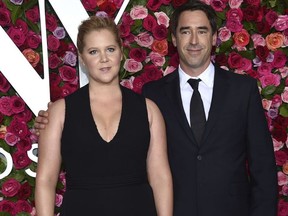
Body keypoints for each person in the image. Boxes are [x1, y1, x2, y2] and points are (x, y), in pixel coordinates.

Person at [35, 1, 278, 216]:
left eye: (202, 31)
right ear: (174, 39)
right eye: (185, 31)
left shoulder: (242, 90)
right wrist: (51, 121)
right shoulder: (154, 94)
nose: (194, 40)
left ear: (214, 37)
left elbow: (262, 167)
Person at [35, 16, 173, 216]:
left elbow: (160, 177)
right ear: (82, 58)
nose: (104, 59)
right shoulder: (59, 112)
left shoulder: (149, 110)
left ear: (121, 52)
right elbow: (45, 180)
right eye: (93, 52)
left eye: (110, 49)